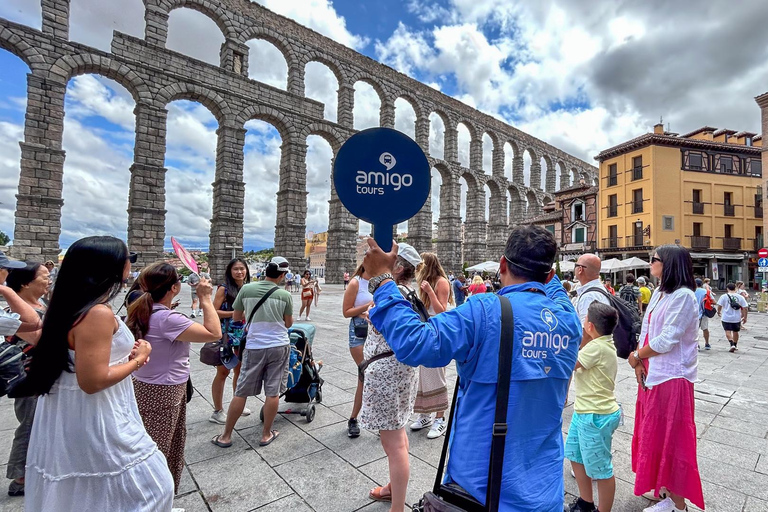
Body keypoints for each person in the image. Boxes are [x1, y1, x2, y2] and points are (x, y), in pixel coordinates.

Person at [363, 225, 581, 511]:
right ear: (550, 275)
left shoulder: (484, 312)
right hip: (545, 490)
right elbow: (553, 287)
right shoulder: (568, 319)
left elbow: (416, 343)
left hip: (480, 486)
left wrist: (382, 281)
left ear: (502, 264)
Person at [23, 236, 174, 511]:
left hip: (73, 410)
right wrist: (138, 360)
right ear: (112, 267)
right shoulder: (97, 313)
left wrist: (122, 355)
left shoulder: (69, 304)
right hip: (97, 412)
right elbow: (92, 382)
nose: (132, 263)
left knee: (86, 491)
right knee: (153, 487)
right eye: (130, 257)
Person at [127, 262, 222, 492]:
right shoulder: (169, 319)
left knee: (159, 442)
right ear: (173, 288)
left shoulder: (144, 310)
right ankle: (153, 499)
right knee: (162, 447)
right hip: (164, 390)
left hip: (146, 385)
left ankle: (158, 498)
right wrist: (206, 298)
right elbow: (214, 332)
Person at [627, 245, 704, 512]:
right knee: (656, 435)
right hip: (653, 372)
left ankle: (677, 503)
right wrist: (639, 360)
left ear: (668, 264)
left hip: (672, 376)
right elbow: (647, 328)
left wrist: (637, 355)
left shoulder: (684, 296)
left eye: (655, 259)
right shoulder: (660, 292)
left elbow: (667, 339)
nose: (651, 263)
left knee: (672, 438)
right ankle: (665, 491)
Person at [359, 244, 421, 510]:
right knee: (399, 434)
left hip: (386, 371)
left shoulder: (391, 295)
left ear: (397, 267)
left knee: (393, 444)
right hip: (402, 371)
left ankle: (396, 506)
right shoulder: (409, 293)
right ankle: (392, 488)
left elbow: (384, 327)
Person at [212, 256, 293, 448]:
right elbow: (288, 323)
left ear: (265, 272)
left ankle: (226, 436)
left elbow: (237, 317)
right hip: (279, 346)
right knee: (272, 392)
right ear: (281, 275)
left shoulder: (247, 289)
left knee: (241, 391)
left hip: (254, 346)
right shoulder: (285, 295)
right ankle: (266, 434)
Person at [565, 302, 622, 512]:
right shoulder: (603, 343)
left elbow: (570, 363)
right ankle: (585, 502)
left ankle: (602, 510)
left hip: (596, 415)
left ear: (589, 326)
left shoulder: (596, 347)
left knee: (601, 469)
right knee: (574, 454)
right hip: (585, 411)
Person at [4, 262, 50, 497]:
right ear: (25, 283)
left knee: (38, 423)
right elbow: (39, 339)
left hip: (41, 375)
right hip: (28, 377)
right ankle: (19, 477)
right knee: (29, 425)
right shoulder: (16, 312)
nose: (49, 279)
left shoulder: (39, 304)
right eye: (44, 276)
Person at [412, 252, 453, 439]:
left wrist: (429, 292)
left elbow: (442, 311)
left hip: (438, 331)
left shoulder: (441, 282)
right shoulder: (425, 283)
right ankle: (424, 415)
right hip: (426, 330)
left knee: (436, 374)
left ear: (427, 265)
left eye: (420, 265)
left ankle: (440, 419)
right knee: (423, 375)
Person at [210, 258, 253, 423]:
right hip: (226, 335)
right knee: (222, 372)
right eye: (236, 269)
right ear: (230, 271)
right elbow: (213, 311)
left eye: (242, 269)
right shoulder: (224, 289)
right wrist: (235, 314)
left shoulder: (248, 288)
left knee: (239, 370)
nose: (240, 272)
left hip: (243, 334)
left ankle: (237, 404)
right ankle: (217, 410)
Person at [341, 264, 373, 438]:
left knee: (373, 375)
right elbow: (346, 312)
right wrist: (368, 305)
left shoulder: (380, 282)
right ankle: (354, 418)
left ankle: (374, 418)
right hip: (358, 332)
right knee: (365, 374)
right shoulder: (356, 283)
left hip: (376, 331)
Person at [574, 253, 610, 346]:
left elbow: (587, 333)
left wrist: (576, 354)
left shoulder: (589, 297)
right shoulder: (600, 290)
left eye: (576, 265)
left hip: (590, 354)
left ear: (580, 269)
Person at [717, 282, 748, 353]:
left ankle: (731, 344)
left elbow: (719, 306)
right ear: (735, 288)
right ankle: (735, 344)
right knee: (735, 331)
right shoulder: (740, 297)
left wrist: (718, 312)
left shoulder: (723, 296)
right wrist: (745, 317)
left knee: (727, 331)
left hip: (726, 317)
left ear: (727, 288)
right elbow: (745, 308)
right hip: (736, 317)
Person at [693, 279, 711, 350]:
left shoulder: (691, 291)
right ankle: (707, 343)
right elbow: (713, 301)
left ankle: (697, 345)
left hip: (693, 313)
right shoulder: (706, 291)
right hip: (704, 313)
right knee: (705, 329)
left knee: (694, 330)